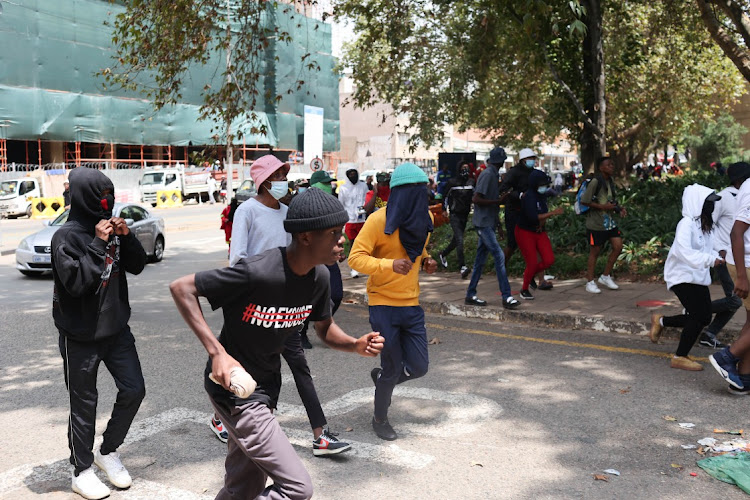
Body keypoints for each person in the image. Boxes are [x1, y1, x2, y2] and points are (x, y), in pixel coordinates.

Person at [170, 189, 384, 498]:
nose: (343, 240)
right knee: (297, 489)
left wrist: (355, 344)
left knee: (244, 486)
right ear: (307, 236)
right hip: (236, 392)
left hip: (267, 388)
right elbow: (182, 288)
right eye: (334, 233)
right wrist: (217, 353)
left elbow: (324, 329)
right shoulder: (259, 272)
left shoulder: (319, 277)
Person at [51, 167, 147, 499]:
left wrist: (127, 236)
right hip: (80, 335)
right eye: (100, 196)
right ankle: (82, 471)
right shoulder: (66, 237)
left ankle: (109, 451)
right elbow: (77, 284)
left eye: (110, 196)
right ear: (84, 198)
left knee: (135, 389)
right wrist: (98, 242)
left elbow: (136, 265)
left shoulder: (111, 228)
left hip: (116, 329)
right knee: (84, 404)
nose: (106, 203)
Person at [349, 162, 438, 441]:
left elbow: (419, 250)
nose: (420, 197)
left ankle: (383, 381)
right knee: (392, 367)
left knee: (420, 367)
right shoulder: (378, 220)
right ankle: (380, 418)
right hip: (383, 304)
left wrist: (426, 260)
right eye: (414, 191)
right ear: (400, 193)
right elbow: (355, 258)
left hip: (411, 304)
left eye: (422, 191)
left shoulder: (426, 220)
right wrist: (389, 265)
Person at [649, 185, 723, 371]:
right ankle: (679, 356)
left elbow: (710, 248)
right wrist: (710, 259)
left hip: (697, 276)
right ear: (697, 203)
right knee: (699, 315)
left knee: (703, 317)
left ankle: (661, 321)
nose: (712, 207)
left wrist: (720, 255)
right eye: (708, 203)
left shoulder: (705, 224)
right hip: (681, 275)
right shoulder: (686, 223)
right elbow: (684, 252)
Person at [700, 162, 750, 348]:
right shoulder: (723, 197)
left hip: (738, 255)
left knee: (735, 302)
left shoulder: (743, 193)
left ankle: (708, 332)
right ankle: (695, 313)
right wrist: (717, 248)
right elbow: (707, 224)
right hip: (727, 256)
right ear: (738, 180)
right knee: (735, 300)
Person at [464, 147, 520, 309]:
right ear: (501, 161)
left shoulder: (492, 174)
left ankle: (470, 294)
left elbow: (491, 202)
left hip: (488, 222)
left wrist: (499, 226)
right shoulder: (488, 175)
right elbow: (476, 199)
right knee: (499, 256)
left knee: (480, 261)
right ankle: (506, 296)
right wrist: (499, 201)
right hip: (482, 223)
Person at [498, 148, 552, 290]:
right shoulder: (513, 173)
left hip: (532, 212)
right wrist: (519, 195)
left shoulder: (535, 173)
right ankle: (500, 270)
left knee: (537, 245)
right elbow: (504, 189)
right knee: (512, 244)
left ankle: (541, 280)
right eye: (530, 158)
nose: (533, 161)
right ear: (523, 160)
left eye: (534, 158)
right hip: (515, 212)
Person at [580, 156, 628, 294]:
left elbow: (610, 201)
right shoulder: (595, 181)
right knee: (595, 252)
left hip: (609, 223)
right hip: (596, 224)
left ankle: (605, 276)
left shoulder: (610, 181)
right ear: (601, 167)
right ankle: (590, 282)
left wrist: (619, 209)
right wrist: (602, 207)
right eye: (608, 165)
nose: (611, 166)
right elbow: (585, 201)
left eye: (612, 164)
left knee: (618, 246)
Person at [515, 171, 564, 300]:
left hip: (539, 231)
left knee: (549, 259)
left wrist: (542, 223)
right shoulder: (529, 196)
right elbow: (533, 217)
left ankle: (530, 275)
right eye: (542, 184)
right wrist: (553, 213)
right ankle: (524, 289)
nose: (545, 187)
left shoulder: (542, 196)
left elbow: (542, 213)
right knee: (531, 262)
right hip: (525, 231)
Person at [438, 164, 475, 278]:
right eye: (463, 168)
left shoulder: (471, 182)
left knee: (456, 241)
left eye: (467, 168)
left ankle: (443, 254)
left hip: (465, 214)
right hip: (454, 214)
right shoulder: (452, 182)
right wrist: (444, 210)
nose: (465, 170)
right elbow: (445, 196)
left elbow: (475, 196)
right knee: (459, 239)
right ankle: (462, 267)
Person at [338, 168, 369, 278]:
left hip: (362, 219)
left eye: (354, 174)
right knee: (352, 243)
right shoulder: (343, 188)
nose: (353, 176)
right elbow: (341, 204)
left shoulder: (363, 186)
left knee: (363, 243)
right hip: (350, 220)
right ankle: (354, 268)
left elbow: (367, 200)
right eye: (350, 174)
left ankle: (364, 265)